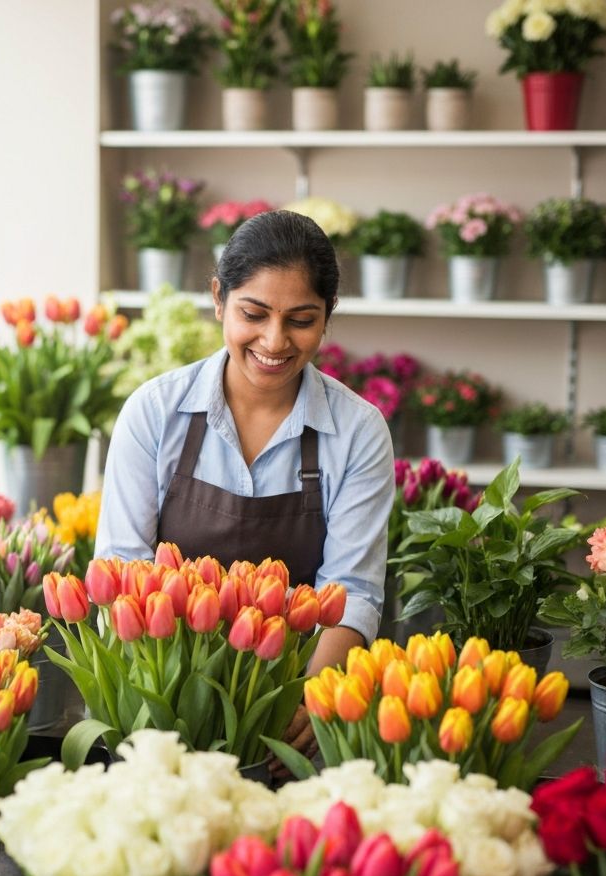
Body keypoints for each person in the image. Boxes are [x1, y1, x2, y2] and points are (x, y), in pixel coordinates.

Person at [95, 209, 395, 759]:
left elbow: (352, 590)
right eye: (253, 314)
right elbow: (122, 568)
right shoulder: (155, 413)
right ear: (219, 299)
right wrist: (164, 704)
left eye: (301, 320)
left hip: (293, 702)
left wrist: (306, 701)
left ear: (328, 314)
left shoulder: (357, 431)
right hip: (165, 704)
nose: (274, 341)